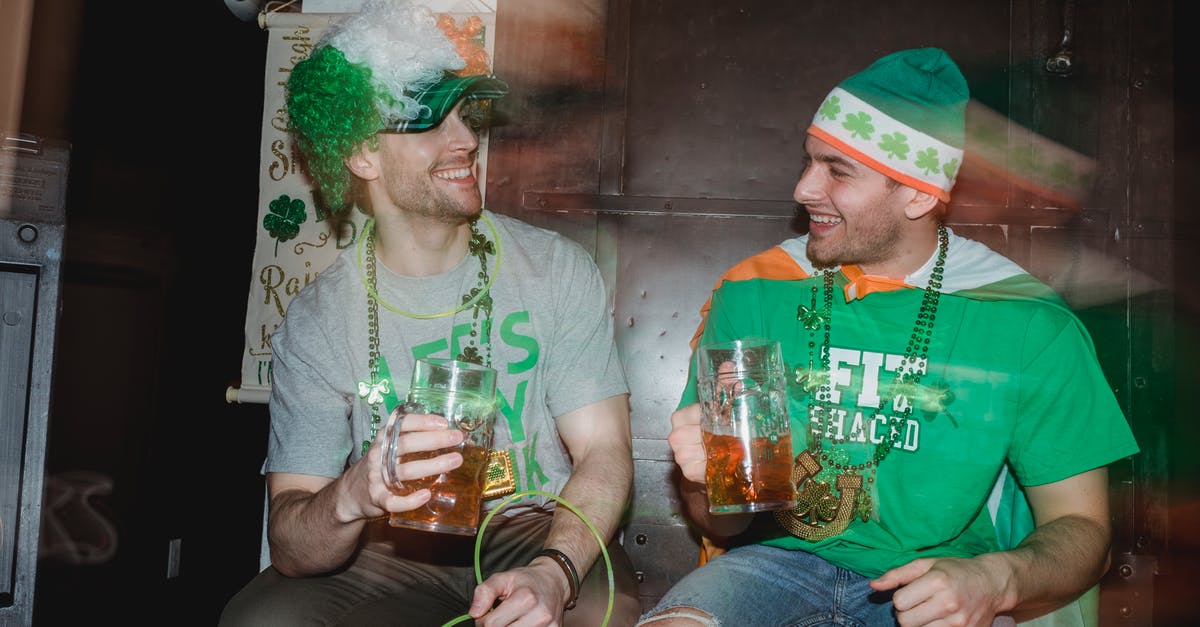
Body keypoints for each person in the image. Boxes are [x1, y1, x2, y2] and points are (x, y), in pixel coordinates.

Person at [638, 47, 1139, 626]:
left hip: (940, 579)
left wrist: (995, 580)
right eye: (808, 161)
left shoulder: (1024, 322)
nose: (803, 189)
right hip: (776, 564)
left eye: (837, 170)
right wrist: (709, 483)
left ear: (920, 194)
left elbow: (1083, 531)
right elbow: (724, 522)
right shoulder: (757, 291)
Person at [219, 1, 641, 625]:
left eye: (463, 116)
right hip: (391, 547)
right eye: (428, 123)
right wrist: (353, 495)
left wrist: (555, 572)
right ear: (363, 155)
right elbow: (290, 539)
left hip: (535, 531)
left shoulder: (554, 269)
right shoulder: (316, 321)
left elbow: (605, 451)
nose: (467, 139)